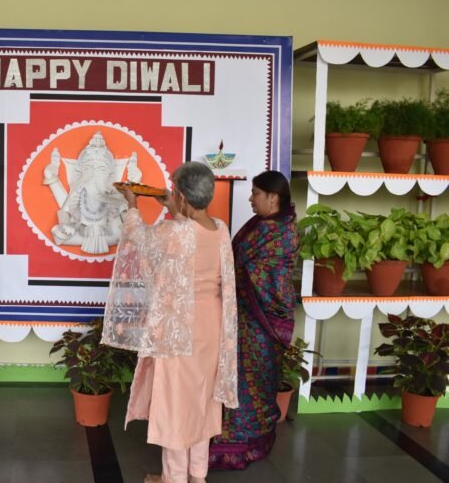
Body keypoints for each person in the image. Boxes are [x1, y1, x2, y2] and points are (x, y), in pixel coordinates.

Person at [101, 161, 238, 483]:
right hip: (212, 326)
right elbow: (189, 237)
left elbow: (139, 240)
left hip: (180, 327)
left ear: (183, 197)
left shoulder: (174, 232)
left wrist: (132, 205)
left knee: (177, 403)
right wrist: (173, 208)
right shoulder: (220, 229)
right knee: (202, 400)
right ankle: (197, 474)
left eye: (174, 192)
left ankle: (173, 478)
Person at [209, 170, 299, 470]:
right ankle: (230, 437)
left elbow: (269, 274)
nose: (251, 198)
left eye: (256, 193)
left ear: (273, 197)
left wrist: (233, 274)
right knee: (236, 378)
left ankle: (246, 442)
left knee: (255, 380)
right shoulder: (260, 225)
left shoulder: (282, 231)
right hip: (243, 317)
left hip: (261, 322)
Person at [44, 130, 141, 254]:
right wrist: (51, 179)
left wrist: (134, 184)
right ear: (81, 171)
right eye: (89, 168)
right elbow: (65, 212)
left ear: (109, 173)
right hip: (82, 232)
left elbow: (130, 224)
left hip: (112, 234)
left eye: (101, 169)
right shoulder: (79, 190)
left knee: (126, 234)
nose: (94, 173)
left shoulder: (114, 194)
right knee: (58, 232)